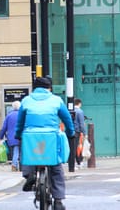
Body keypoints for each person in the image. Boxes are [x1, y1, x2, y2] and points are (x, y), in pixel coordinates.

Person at [15, 77, 74, 210]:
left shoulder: (26, 100)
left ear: (34, 88)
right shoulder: (56, 100)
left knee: (28, 152)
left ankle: (29, 175)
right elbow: (67, 119)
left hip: (31, 136)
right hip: (51, 137)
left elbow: (20, 122)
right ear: (49, 88)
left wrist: (18, 134)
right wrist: (71, 132)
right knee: (56, 167)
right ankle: (58, 200)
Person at [0, 100, 21, 172]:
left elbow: (4, 128)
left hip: (10, 138)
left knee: (14, 151)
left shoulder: (9, 115)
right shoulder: (22, 115)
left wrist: (1, 137)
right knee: (17, 151)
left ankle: (15, 165)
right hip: (20, 137)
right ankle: (15, 164)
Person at [74, 98, 87, 168]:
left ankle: (78, 162)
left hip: (70, 131)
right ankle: (77, 162)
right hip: (77, 131)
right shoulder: (80, 111)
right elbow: (81, 124)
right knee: (76, 147)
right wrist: (84, 133)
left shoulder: (70, 111)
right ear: (79, 103)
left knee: (73, 147)